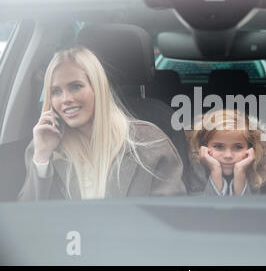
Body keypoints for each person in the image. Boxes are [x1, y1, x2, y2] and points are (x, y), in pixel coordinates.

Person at [19, 47, 186, 200]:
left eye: (76, 87)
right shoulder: (43, 146)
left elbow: (172, 218)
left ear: (97, 87)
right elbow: (26, 221)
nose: (66, 99)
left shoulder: (150, 141)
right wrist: (41, 157)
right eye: (56, 91)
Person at [187, 109, 266, 196]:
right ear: (203, 147)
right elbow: (208, 211)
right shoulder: (192, 178)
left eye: (238, 147)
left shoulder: (255, 175)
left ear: (251, 148)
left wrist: (240, 173)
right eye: (219, 146)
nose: (228, 155)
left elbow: (247, 210)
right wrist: (215, 171)